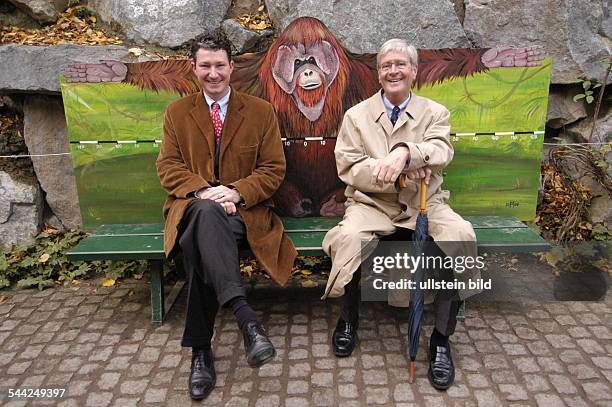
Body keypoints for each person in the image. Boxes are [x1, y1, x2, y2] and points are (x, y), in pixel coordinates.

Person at [322, 38, 481, 390]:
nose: (393, 70)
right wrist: (400, 173)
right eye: (386, 65)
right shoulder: (356, 116)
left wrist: (407, 152)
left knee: (461, 237)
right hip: (372, 203)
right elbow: (348, 166)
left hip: (427, 203)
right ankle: (347, 320)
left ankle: (441, 339)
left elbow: (441, 149)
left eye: (400, 64)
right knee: (347, 239)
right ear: (378, 74)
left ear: (413, 70)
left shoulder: (434, 112)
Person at [156, 31, 297, 401]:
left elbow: (272, 170)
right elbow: (168, 167)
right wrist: (204, 192)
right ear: (194, 68)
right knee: (203, 216)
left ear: (232, 67)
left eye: (220, 65)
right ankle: (246, 320)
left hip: (243, 213)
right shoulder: (177, 113)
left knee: (201, 244)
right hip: (193, 206)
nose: (213, 73)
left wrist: (235, 192)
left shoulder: (261, 112)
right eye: (205, 66)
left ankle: (201, 352)